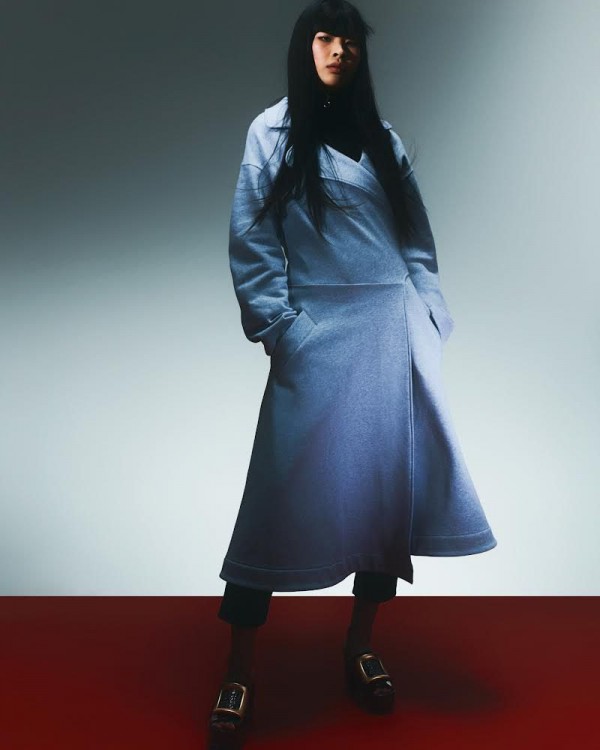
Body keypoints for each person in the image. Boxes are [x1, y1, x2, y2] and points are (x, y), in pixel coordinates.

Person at [208, 0, 497, 744]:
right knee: (276, 495)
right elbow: (251, 237)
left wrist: (427, 314)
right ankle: (238, 669)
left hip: (392, 333)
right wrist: (282, 328)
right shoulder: (271, 133)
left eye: (350, 40)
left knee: (383, 493)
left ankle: (361, 643)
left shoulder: (382, 138)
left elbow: (416, 240)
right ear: (304, 47)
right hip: (317, 334)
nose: (339, 49)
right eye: (325, 37)